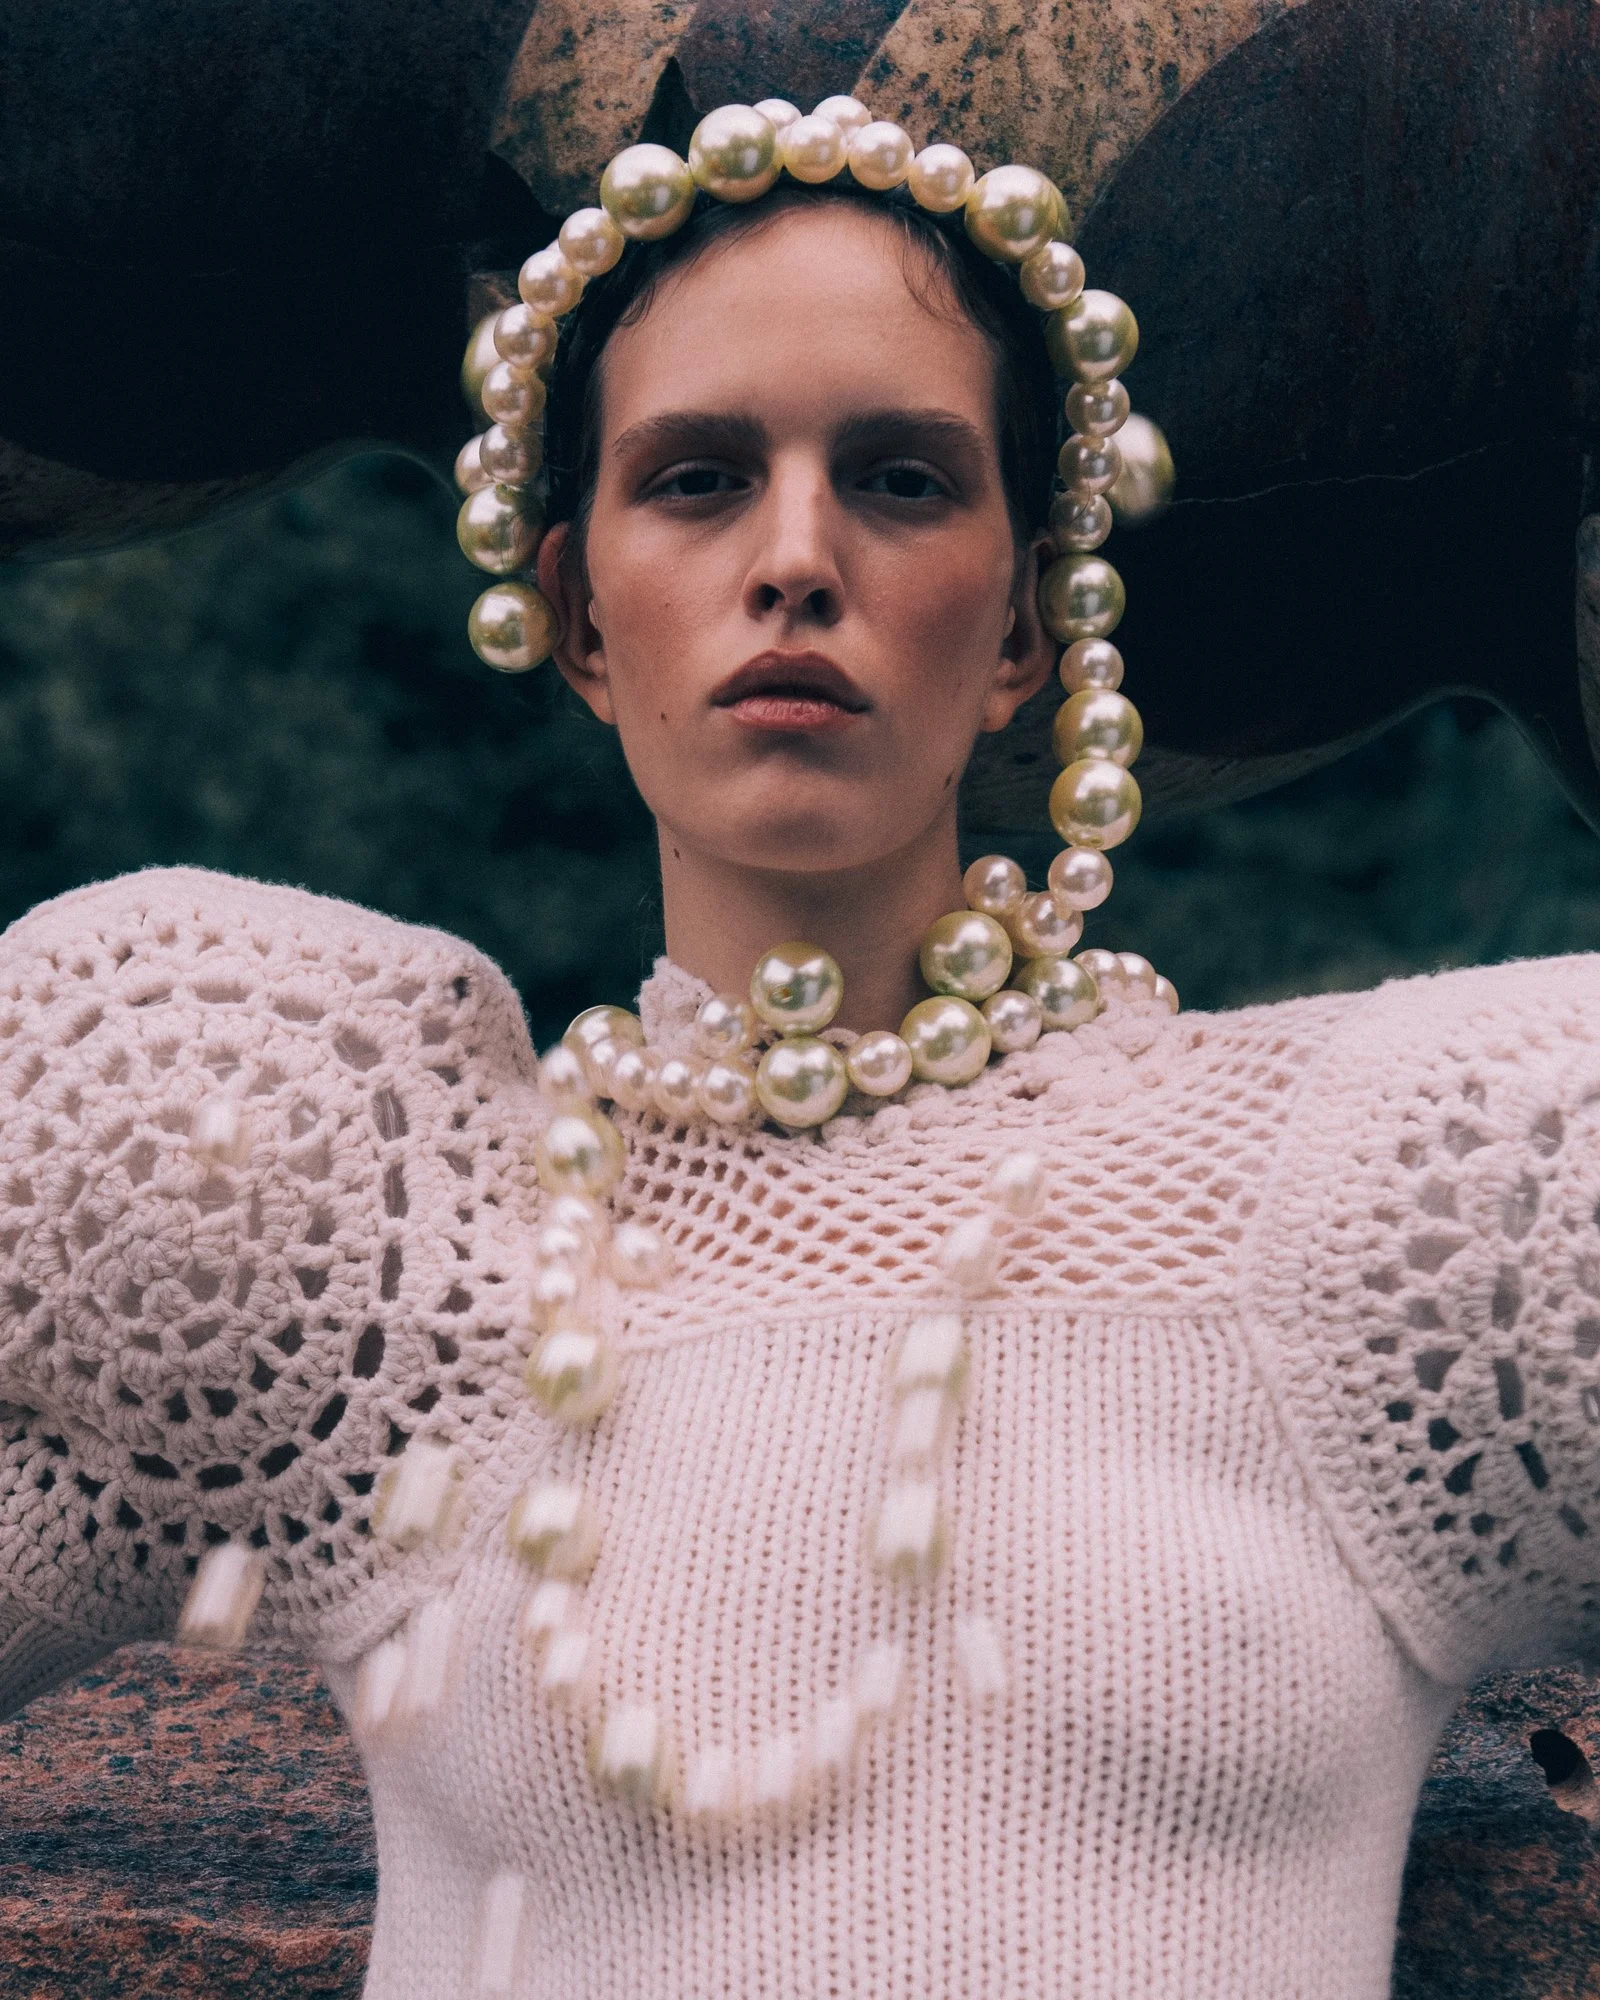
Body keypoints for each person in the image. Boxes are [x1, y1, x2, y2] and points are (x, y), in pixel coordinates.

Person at [1, 97, 1597, 2000]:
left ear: (1024, 624)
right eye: (694, 476)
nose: (796, 558)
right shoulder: (358, 1245)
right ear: (580, 611)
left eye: (905, 477)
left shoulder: (1410, 1207)